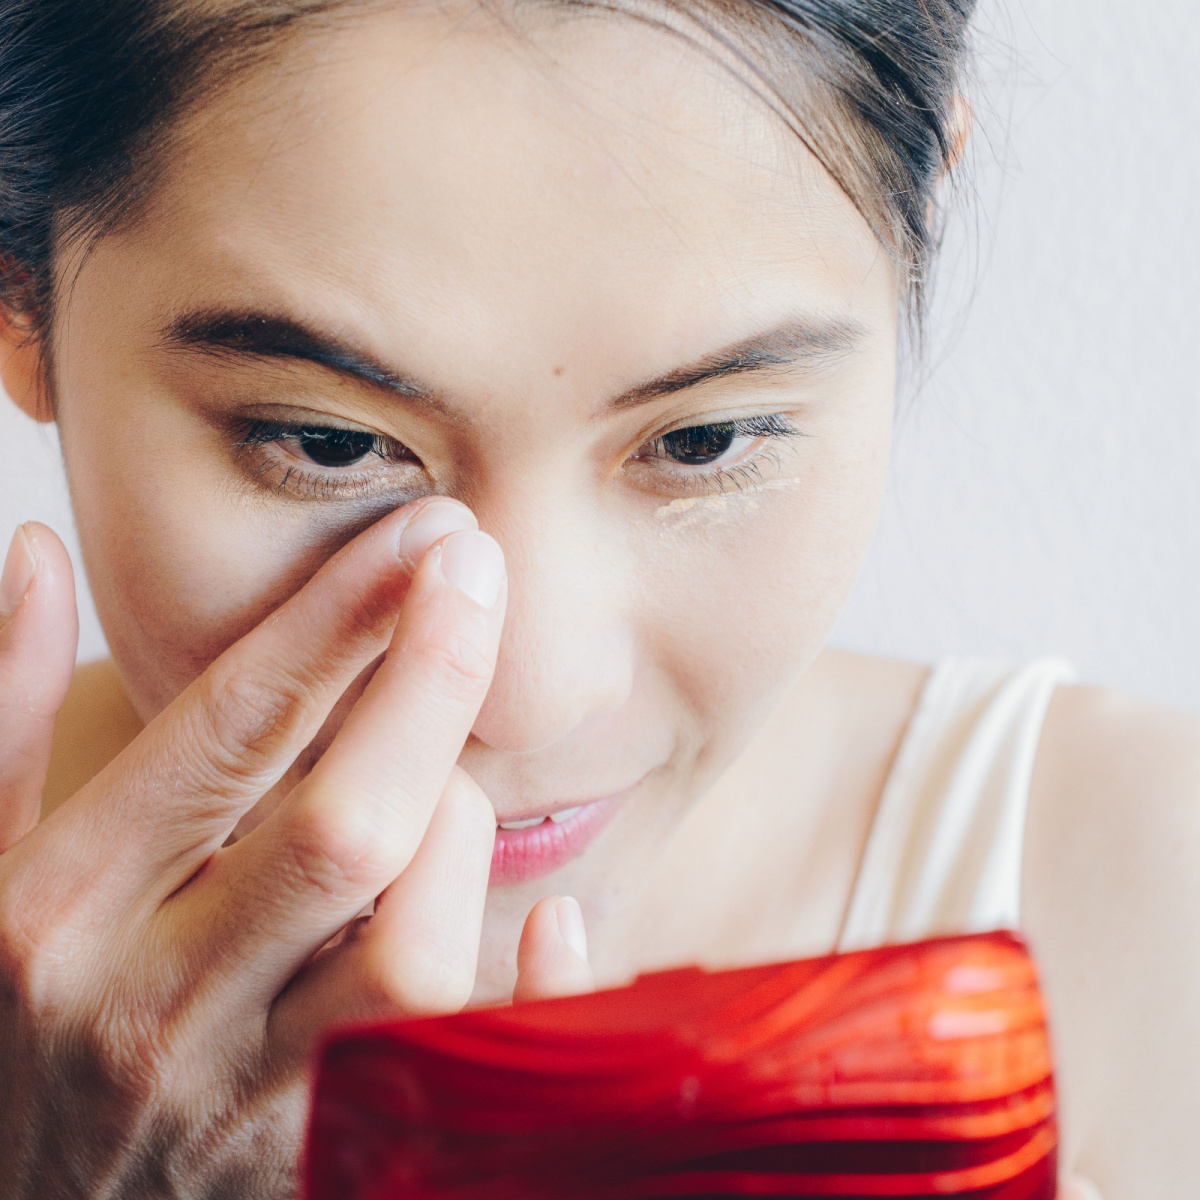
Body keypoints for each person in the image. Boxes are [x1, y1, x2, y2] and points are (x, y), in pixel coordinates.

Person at [0, 0, 1192, 1195]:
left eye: (706, 440)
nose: (527, 699)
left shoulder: (1147, 897)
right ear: (21, 300)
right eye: (325, 445)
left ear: (915, 230)